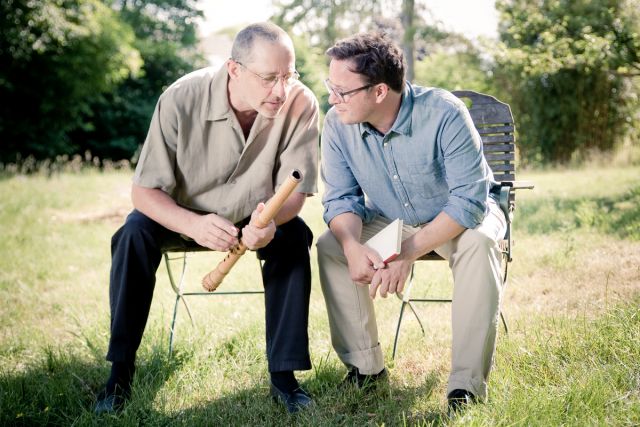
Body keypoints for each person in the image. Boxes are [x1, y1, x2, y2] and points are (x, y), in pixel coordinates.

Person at [94, 22, 319, 415]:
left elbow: (295, 195)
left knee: (295, 235)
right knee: (133, 232)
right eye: (269, 78)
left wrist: (268, 224)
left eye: (289, 76)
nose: (281, 91)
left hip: (256, 217)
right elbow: (143, 193)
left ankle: (284, 378)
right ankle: (119, 375)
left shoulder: (301, 103)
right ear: (234, 70)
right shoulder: (181, 97)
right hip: (182, 214)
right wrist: (192, 225)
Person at [316, 32, 507, 412]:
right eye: (330, 87)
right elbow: (341, 199)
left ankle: (465, 387)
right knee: (331, 245)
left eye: (342, 91)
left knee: (479, 243)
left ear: (379, 91)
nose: (332, 99)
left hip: (458, 219)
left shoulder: (445, 112)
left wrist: (406, 253)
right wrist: (352, 247)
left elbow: (469, 203)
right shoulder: (337, 124)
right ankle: (365, 369)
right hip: (393, 218)